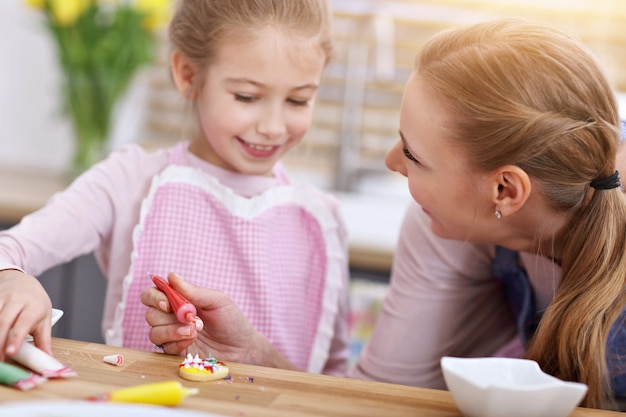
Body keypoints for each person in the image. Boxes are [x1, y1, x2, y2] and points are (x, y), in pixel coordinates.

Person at [142, 18, 626, 409]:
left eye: (413, 155)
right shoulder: (446, 223)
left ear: (505, 188)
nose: (391, 162)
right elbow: (376, 401)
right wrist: (251, 355)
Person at [0, 0, 350, 376]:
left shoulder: (321, 222)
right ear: (187, 75)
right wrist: (12, 279)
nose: (273, 126)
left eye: (299, 100)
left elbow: (336, 383)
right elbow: (9, 250)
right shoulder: (129, 180)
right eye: (247, 96)